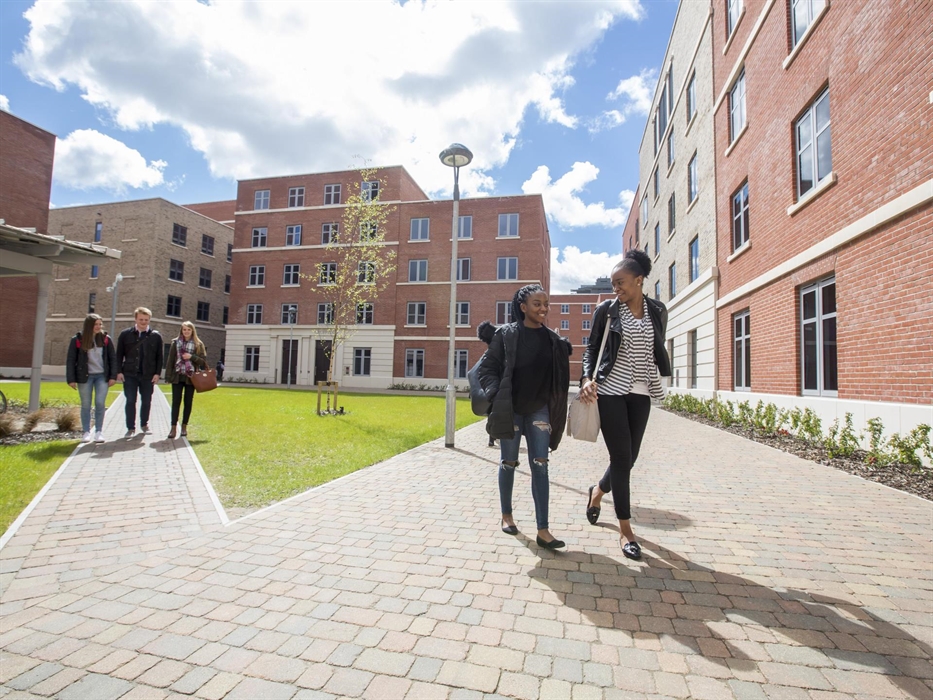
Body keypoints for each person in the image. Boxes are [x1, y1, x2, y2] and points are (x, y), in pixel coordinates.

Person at [579, 250, 672, 560]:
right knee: (620, 456)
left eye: (620, 283)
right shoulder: (606, 310)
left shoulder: (658, 310)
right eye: (612, 283)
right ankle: (625, 530)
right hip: (610, 391)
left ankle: (598, 492)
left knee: (629, 458)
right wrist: (586, 379)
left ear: (639, 280)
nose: (615, 288)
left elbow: (655, 346)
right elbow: (591, 349)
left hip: (642, 391)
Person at [477, 284, 571, 550]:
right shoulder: (507, 335)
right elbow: (487, 369)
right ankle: (506, 515)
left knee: (541, 464)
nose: (543, 309)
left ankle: (543, 530)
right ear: (523, 307)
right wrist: (496, 394)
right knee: (508, 462)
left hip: (538, 409)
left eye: (546, 304)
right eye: (537, 304)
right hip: (511, 408)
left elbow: (559, 379)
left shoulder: (552, 340)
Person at [66, 313, 117, 443]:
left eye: (100, 324)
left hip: (102, 376)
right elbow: (71, 360)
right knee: (86, 405)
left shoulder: (106, 339)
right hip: (85, 377)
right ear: (89, 325)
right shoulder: (78, 340)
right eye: (96, 324)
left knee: (100, 403)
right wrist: (71, 379)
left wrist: (113, 376)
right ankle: (86, 432)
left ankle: (99, 431)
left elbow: (112, 358)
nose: (99, 326)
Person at [116, 307, 163, 437]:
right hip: (130, 374)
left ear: (149, 320)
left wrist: (157, 373)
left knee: (146, 400)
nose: (143, 322)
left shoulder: (155, 336)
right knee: (130, 400)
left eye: (146, 320)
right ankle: (130, 428)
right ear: (135, 319)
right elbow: (119, 354)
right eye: (141, 319)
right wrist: (119, 371)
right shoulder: (125, 334)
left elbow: (160, 356)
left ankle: (144, 425)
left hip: (148, 374)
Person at [164, 321, 207, 439]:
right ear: (181, 331)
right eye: (184, 330)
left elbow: (203, 361)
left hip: (191, 377)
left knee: (188, 402)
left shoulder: (198, 344)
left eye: (189, 329)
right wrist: (168, 376)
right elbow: (170, 360)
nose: (186, 332)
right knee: (176, 402)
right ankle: (173, 427)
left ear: (192, 331)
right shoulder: (175, 342)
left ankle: (184, 426)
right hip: (177, 375)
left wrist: (191, 357)